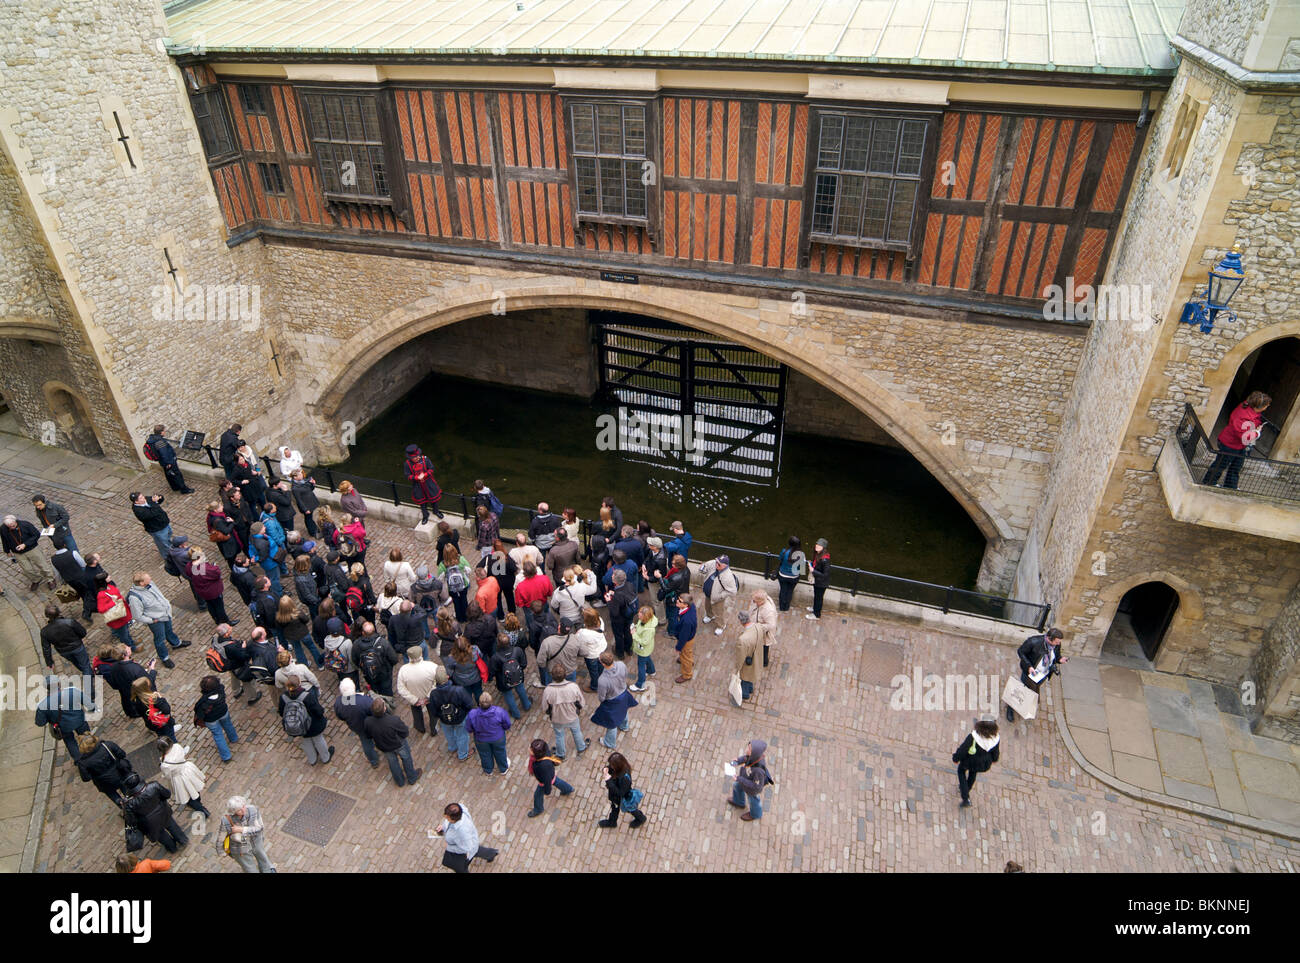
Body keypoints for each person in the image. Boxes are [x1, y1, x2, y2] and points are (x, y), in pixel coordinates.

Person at [1204, 391, 1271, 490]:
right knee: (1220, 464)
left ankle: (1231, 486)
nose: (1267, 407)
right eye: (1266, 405)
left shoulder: (1247, 406)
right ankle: (1209, 482)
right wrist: (1257, 433)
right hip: (1230, 444)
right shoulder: (1243, 417)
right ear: (1259, 406)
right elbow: (1244, 436)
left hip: (1240, 445)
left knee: (1236, 466)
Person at [127, 572, 191, 667]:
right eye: (148, 578)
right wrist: (152, 620)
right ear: (141, 583)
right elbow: (138, 616)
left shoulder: (150, 583)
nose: (151, 578)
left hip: (165, 614)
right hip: (155, 620)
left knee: (169, 630)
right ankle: (164, 657)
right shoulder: (134, 598)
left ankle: (176, 643)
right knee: (159, 639)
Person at [1007, 627, 1067, 724]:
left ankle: (1025, 704)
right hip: (1030, 673)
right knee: (1022, 690)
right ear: (1049, 638)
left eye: (1059, 642)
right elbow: (1021, 652)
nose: (1058, 644)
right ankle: (1010, 707)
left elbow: (1055, 657)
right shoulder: (1033, 642)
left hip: (1043, 674)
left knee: (1031, 692)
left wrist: (1060, 660)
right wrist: (1029, 666)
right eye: (1056, 642)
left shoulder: (1056, 645)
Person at [121, 772, 188, 853]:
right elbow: (167, 794)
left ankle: (172, 848)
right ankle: (183, 840)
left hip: (149, 824)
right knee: (172, 826)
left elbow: (131, 821)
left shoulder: (129, 804)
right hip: (163, 812)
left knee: (161, 835)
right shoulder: (153, 786)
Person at [35, 673, 95, 763]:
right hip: (79, 721)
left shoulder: (42, 705)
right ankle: (94, 752)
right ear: (59, 684)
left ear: (47, 688)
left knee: (70, 742)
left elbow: (40, 723)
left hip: (63, 727)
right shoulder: (72, 691)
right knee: (86, 736)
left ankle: (80, 762)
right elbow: (90, 705)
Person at [364, 697, 423, 786]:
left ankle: (400, 781)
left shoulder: (368, 721)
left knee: (393, 763)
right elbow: (405, 732)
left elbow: (368, 735)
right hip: (398, 744)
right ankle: (412, 777)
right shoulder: (393, 720)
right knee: (406, 759)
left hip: (384, 746)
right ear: (384, 709)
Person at [278, 675, 334, 765]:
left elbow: (281, 712)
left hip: (298, 725)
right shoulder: (307, 696)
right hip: (313, 725)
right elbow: (318, 710)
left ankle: (312, 759)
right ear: (299, 683)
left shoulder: (283, 697)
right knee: (318, 739)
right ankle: (325, 757)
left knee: (306, 741)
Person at [434, 802, 497, 872]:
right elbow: (448, 822)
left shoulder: (462, 832)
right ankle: (491, 853)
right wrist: (443, 827)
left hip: (467, 851)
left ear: (454, 819)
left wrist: (450, 847)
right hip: (471, 844)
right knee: (477, 850)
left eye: (447, 818)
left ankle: (491, 853)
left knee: (461, 869)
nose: (445, 818)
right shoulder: (459, 810)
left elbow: (467, 847)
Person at [219, 795, 275, 873]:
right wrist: (222, 852)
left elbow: (260, 828)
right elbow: (221, 838)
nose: (243, 809)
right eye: (239, 810)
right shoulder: (226, 821)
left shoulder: (253, 809)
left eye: (243, 806)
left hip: (255, 842)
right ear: (233, 811)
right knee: (250, 869)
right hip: (240, 849)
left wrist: (242, 829)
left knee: (263, 860)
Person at [396, 645, 445, 734]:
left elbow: (401, 688)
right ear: (421, 654)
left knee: (416, 713)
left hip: (414, 699)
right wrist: (428, 696)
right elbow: (437, 682)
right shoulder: (431, 666)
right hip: (430, 697)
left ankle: (420, 728)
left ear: (409, 657)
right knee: (433, 714)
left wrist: (414, 699)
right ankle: (434, 730)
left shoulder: (403, 670)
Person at [156, 737, 210, 817]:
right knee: (194, 788)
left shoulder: (165, 764)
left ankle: (202, 810)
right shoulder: (177, 746)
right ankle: (199, 801)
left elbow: (168, 776)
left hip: (179, 779)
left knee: (188, 797)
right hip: (188, 770)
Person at [100, 642, 157, 718]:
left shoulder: (114, 666)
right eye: (127, 648)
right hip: (140, 695)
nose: (130, 647)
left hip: (127, 692)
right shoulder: (135, 669)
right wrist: (152, 670)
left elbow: (114, 684)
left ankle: (132, 713)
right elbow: (149, 682)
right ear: (124, 655)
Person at [591, 651, 635, 748]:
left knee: (611, 722)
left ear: (603, 664)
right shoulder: (621, 664)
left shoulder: (602, 679)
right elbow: (626, 675)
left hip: (612, 701)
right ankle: (624, 726)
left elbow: (601, 697)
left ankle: (609, 742)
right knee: (624, 710)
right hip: (623, 693)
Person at [333, 678, 380, 768]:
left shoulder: (338, 703)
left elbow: (340, 716)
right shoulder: (364, 700)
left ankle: (374, 761)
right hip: (371, 724)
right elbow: (375, 712)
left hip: (357, 727)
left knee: (366, 743)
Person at [953, 720, 1001, 807]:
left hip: (969, 760)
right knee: (973, 773)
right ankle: (967, 788)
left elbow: (963, 749)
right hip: (983, 763)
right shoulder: (996, 738)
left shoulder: (974, 737)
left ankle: (965, 796)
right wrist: (994, 759)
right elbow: (996, 752)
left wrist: (956, 758)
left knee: (961, 771)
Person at [76, 733, 132, 807]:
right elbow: (122, 754)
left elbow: (86, 778)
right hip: (119, 774)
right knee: (126, 789)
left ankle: (124, 807)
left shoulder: (83, 762)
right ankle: (132, 802)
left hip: (104, 783)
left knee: (113, 795)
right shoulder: (107, 745)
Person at [541, 667, 586, 759]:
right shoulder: (573, 686)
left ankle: (561, 754)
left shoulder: (548, 690)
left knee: (559, 735)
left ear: (552, 676)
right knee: (576, 731)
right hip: (572, 715)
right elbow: (581, 702)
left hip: (557, 718)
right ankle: (581, 747)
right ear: (565, 675)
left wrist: (548, 712)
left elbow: (545, 707)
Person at [2, 513, 55, 590]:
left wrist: (25, 544)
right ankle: (36, 580)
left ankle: (51, 579)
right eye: (9, 527)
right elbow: (4, 540)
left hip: (32, 549)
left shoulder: (25, 525)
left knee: (42, 565)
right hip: (18, 552)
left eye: (13, 525)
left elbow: (36, 535)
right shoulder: (3, 528)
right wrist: (7, 551)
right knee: (27, 569)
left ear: (15, 521)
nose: (12, 527)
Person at [429, 671, 475, 760]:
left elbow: (433, 711)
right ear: (447, 677)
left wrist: (440, 716)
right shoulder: (458, 690)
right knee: (462, 735)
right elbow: (469, 704)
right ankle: (462, 755)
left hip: (444, 720)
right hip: (460, 718)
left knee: (449, 734)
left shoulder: (433, 694)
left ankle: (453, 747)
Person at [194, 674, 239, 763]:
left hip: (211, 720)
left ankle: (226, 756)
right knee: (228, 725)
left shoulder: (204, 702)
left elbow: (199, 713)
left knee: (218, 735)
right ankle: (234, 738)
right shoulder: (220, 690)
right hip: (223, 713)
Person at [525, 739, 574, 818]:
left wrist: (547, 791)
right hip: (550, 773)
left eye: (531, 749)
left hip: (545, 780)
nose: (529, 749)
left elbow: (547, 780)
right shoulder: (544, 754)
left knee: (537, 795)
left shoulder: (541, 766)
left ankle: (538, 809)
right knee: (556, 781)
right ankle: (568, 789)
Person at [41, 602, 92, 676]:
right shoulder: (70, 622)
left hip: (64, 652)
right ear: (59, 612)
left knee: (77, 664)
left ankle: (88, 673)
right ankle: (88, 683)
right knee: (85, 665)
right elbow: (83, 633)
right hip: (77, 647)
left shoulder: (44, 631)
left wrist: (49, 662)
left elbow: (46, 648)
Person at [728, 739, 774, 821]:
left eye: (749, 749)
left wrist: (739, 779)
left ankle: (756, 814)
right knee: (737, 786)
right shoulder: (752, 756)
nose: (747, 750)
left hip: (751, 789)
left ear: (754, 753)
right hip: (744, 779)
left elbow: (756, 787)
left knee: (753, 801)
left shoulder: (758, 771)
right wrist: (737, 761)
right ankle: (739, 802)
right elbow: (745, 758)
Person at [466, 692, 512, 774]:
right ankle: (503, 769)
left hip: (481, 739)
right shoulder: (499, 712)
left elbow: (469, 728)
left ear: (479, 704)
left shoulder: (472, 714)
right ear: (491, 702)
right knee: (500, 752)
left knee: (484, 754)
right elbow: (507, 724)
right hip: (497, 738)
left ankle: (488, 770)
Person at [490, 630, 532, 719]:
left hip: (503, 681)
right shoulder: (518, 650)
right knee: (521, 689)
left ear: (498, 643)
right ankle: (527, 705)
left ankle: (516, 714)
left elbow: (492, 671)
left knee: (508, 695)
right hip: (517, 676)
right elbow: (524, 664)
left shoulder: (495, 657)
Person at [598, 752, 645, 829]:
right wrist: (606, 769)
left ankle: (641, 818)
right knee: (615, 809)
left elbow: (620, 793)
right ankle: (612, 822)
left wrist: (608, 781)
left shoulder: (625, 778)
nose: (610, 766)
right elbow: (611, 770)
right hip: (615, 798)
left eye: (612, 765)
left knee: (630, 809)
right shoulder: (620, 768)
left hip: (620, 798)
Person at [276, 594, 323, 668]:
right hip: (303, 634)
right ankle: (320, 664)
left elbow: (280, 627)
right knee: (312, 647)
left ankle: (304, 666)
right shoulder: (298, 613)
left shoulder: (279, 617)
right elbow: (306, 620)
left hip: (291, 636)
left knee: (298, 651)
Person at [354, 621, 400, 697]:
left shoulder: (356, 645)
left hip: (369, 675)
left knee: (374, 689)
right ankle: (388, 704)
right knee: (387, 691)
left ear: (363, 633)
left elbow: (355, 660)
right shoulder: (383, 643)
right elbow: (394, 659)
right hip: (384, 674)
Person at [187, 548, 232, 626]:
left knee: (210, 605)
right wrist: (215, 566)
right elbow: (216, 573)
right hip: (212, 591)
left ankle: (216, 619)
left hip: (202, 591)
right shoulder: (205, 568)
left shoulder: (189, 566)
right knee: (219, 606)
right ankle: (225, 621)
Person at [144, 426, 194, 493]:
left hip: (162, 461)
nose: (165, 432)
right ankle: (184, 489)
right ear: (161, 432)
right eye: (164, 431)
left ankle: (175, 487)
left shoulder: (152, 438)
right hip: (169, 461)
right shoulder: (160, 442)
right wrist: (169, 463)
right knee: (177, 475)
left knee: (169, 474)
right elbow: (164, 453)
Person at [402, 444, 443, 523]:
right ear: (411, 458)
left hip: (429, 483)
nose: (418, 457)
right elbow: (408, 476)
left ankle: (436, 511)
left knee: (434, 498)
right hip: (418, 485)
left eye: (418, 455)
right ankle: (425, 515)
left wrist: (425, 474)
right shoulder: (407, 464)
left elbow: (431, 469)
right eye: (415, 457)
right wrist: (416, 478)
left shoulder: (425, 459)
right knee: (422, 502)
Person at [699, 554, 739, 635]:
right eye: (716, 562)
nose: (716, 564)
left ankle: (721, 626)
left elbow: (732, 591)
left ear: (725, 566)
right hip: (708, 595)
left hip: (718, 599)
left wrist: (720, 596)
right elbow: (705, 566)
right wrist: (702, 568)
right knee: (707, 606)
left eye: (719, 564)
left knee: (719, 613)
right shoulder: (714, 563)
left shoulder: (728, 577)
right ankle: (710, 616)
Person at [603, 568, 638, 659]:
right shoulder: (629, 585)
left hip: (619, 619)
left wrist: (609, 601)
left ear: (616, 581)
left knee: (618, 635)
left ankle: (620, 653)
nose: (611, 576)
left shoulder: (617, 596)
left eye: (613, 576)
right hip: (629, 615)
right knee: (628, 632)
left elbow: (614, 612)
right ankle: (629, 649)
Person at [129, 492, 173, 561]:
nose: (144, 498)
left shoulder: (146, 499)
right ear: (136, 502)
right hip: (157, 529)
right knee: (163, 544)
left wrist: (159, 497)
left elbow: (158, 501)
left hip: (164, 523)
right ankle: (168, 557)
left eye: (142, 496)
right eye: (141, 498)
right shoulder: (138, 511)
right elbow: (153, 513)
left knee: (168, 536)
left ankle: (171, 548)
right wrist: (154, 502)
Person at [538, 616, 582, 685]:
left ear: (559, 627)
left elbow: (540, 662)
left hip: (553, 673)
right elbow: (583, 652)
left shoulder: (547, 642)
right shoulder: (576, 639)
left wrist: (546, 666)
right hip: (570, 671)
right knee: (570, 689)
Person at [131, 675, 177, 740]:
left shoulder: (135, 700)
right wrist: (160, 697)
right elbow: (167, 709)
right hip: (163, 723)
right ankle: (176, 748)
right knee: (171, 737)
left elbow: (139, 713)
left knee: (162, 734)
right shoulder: (154, 699)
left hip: (153, 724)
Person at [734, 610, 766, 701]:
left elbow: (741, 657)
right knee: (751, 675)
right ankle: (750, 688)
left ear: (740, 622)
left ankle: (745, 694)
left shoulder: (743, 639)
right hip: (758, 655)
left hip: (748, 661)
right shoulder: (758, 626)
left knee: (745, 677)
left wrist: (737, 668)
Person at [575, 606, 608, 692]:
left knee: (593, 671)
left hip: (592, 654)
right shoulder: (600, 621)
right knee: (601, 666)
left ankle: (595, 686)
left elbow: (577, 639)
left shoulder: (584, 633)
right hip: (602, 648)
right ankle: (602, 679)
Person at [439, 545, 474, 623]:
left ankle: (459, 618)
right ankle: (466, 617)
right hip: (463, 585)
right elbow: (469, 570)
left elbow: (440, 578)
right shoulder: (461, 559)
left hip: (452, 588)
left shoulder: (442, 564)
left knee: (456, 602)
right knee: (464, 599)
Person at [206, 500, 243, 573]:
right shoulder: (218, 520)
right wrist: (232, 523)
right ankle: (235, 571)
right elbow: (226, 531)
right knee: (231, 558)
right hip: (227, 543)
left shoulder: (212, 516)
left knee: (231, 558)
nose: (222, 507)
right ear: (215, 510)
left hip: (223, 542)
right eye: (220, 506)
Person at [659, 554, 690, 633]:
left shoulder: (676, 577)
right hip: (683, 593)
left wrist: (659, 578)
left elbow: (666, 589)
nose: (671, 565)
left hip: (675, 598)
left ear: (678, 565)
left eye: (673, 564)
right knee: (675, 613)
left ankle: (671, 632)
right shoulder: (687, 570)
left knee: (673, 616)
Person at [629, 605, 657, 692]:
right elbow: (639, 625)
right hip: (647, 650)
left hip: (643, 649)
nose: (638, 616)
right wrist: (635, 628)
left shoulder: (649, 629)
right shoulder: (646, 621)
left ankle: (640, 684)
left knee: (641, 666)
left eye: (640, 615)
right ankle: (651, 671)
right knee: (647, 658)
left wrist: (634, 634)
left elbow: (644, 642)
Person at [672, 592, 698, 685]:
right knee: (688, 652)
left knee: (685, 656)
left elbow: (684, 637)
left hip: (686, 640)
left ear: (686, 604)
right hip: (689, 636)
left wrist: (678, 648)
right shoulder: (691, 606)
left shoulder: (687, 621)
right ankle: (689, 661)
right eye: (678, 599)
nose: (677, 601)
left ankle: (687, 674)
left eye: (680, 601)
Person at [775, 535, 804, 612]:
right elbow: (802, 569)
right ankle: (786, 607)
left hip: (783, 575)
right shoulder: (801, 554)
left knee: (783, 590)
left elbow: (780, 559)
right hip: (794, 577)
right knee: (790, 591)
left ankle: (781, 607)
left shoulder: (784, 551)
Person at [289, 468, 320, 538]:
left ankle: (314, 527)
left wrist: (313, 484)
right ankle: (312, 532)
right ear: (295, 477)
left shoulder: (303, 481)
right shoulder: (295, 488)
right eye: (300, 475)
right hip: (306, 504)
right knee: (308, 518)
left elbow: (310, 489)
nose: (302, 475)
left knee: (310, 517)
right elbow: (298, 500)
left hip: (310, 501)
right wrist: (305, 509)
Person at [751, 590, 778, 668]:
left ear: (760, 601)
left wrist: (758, 627)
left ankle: (764, 662)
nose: (753, 602)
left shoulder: (768, 610)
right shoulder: (760, 602)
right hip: (757, 628)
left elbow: (771, 625)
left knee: (764, 647)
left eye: (754, 601)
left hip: (764, 632)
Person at [807, 538, 831, 620]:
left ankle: (816, 615)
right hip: (817, 581)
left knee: (819, 598)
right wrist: (811, 564)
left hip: (821, 583)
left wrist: (813, 571)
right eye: (816, 544)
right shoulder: (818, 554)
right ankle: (814, 608)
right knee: (817, 596)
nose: (816, 546)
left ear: (823, 547)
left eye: (819, 545)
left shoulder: (825, 560)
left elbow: (825, 574)